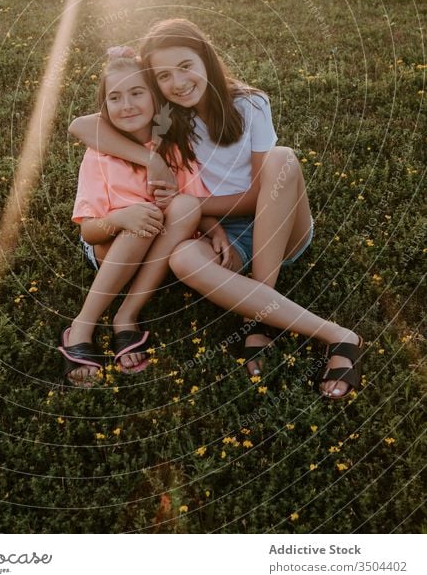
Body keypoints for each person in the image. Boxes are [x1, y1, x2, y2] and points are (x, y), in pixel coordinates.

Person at [69, 22, 364, 400]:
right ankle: (334, 335)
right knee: (183, 259)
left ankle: (257, 321)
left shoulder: (250, 104)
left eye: (185, 65)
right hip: (217, 232)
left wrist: (191, 209)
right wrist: (154, 164)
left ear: (206, 58)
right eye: (163, 76)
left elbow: (261, 194)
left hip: (277, 220)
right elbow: (83, 125)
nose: (178, 82)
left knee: (282, 159)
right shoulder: (170, 117)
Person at [62, 45, 226, 386]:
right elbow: (90, 232)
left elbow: (194, 201)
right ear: (104, 107)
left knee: (183, 204)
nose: (127, 105)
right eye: (116, 97)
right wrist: (122, 219)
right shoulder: (99, 157)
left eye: (137, 93)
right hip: (110, 251)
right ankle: (83, 324)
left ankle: (126, 315)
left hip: (160, 252)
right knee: (143, 218)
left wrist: (215, 229)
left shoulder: (174, 148)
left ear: (155, 99)